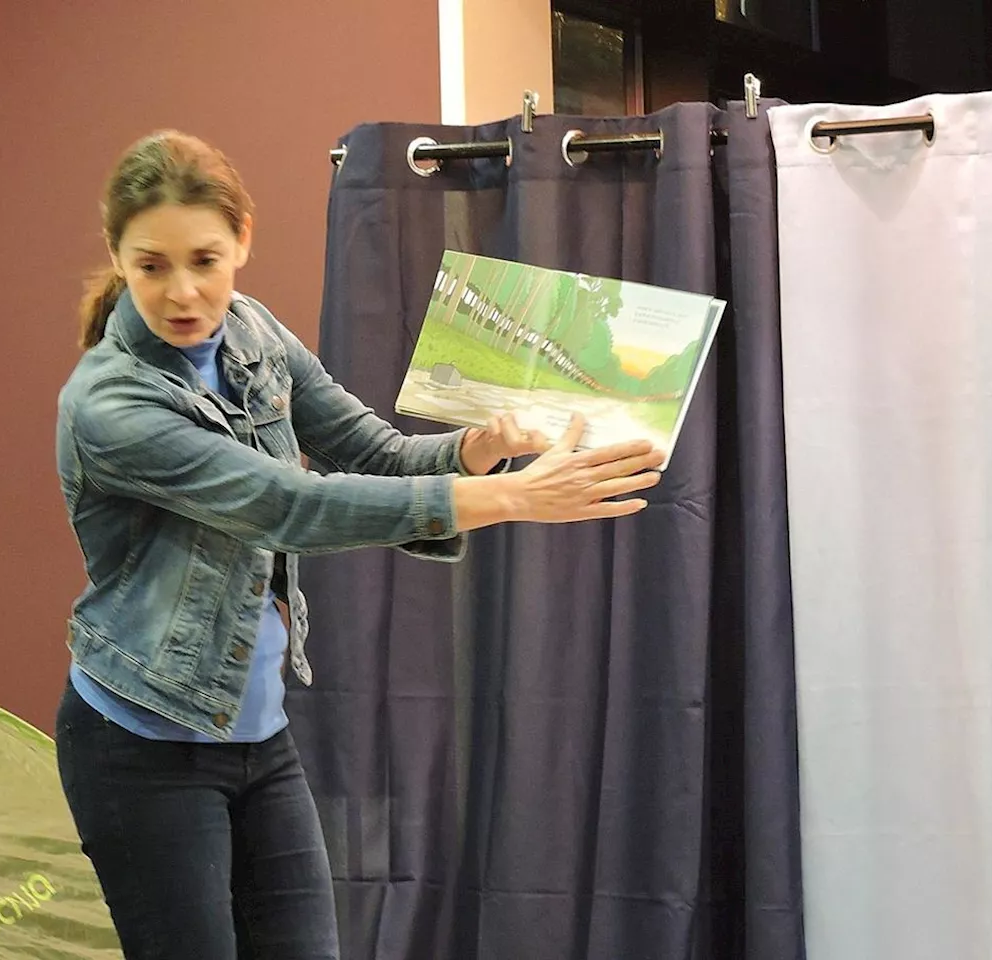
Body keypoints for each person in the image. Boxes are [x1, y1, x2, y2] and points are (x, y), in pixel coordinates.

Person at [53, 129, 663, 960]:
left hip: (257, 739)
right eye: (151, 265)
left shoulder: (253, 333)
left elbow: (370, 452)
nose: (183, 292)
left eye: (205, 259)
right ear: (117, 258)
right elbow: (289, 506)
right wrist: (512, 496)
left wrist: (475, 453)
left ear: (243, 241)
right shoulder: (110, 406)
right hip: (143, 748)